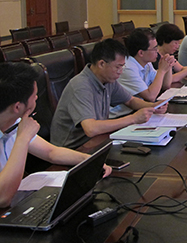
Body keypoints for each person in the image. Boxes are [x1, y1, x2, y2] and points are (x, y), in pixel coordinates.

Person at [0, 62, 111, 207]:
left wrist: (88, 160)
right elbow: (2, 198)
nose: (36, 98)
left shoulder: (15, 122)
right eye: (34, 96)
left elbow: (51, 152)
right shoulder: (21, 131)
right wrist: (23, 139)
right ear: (17, 107)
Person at [50, 39, 168, 149]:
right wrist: (133, 118)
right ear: (102, 64)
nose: (120, 72)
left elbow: (130, 100)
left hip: (97, 139)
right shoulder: (80, 86)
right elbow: (90, 128)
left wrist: (153, 106)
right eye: (118, 67)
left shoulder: (107, 79)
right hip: (74, 148)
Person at [119, 28, 175, 102]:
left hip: (142, 106)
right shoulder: (128, 68)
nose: (157, 51)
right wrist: (161, 71)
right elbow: (150, 96)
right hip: (129, 109)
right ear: (141, 53)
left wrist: (168, 65)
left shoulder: (146, 62)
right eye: (154, 48)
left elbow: (165, 85)